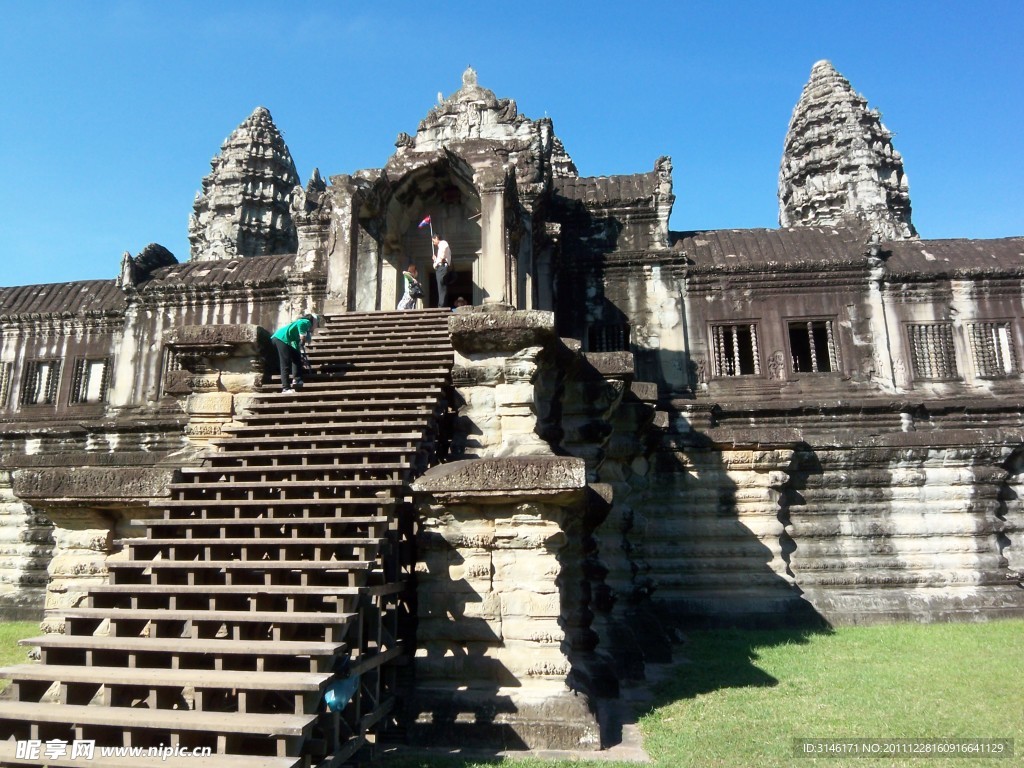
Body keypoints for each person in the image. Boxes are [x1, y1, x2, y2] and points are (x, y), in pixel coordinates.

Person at [271, 313, 318, 393]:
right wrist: (302, 337)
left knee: (296, 357)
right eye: (317, 323)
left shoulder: (303, 328)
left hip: (284, 340)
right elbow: (301, 323)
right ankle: (285, 388)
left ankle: (297, 379)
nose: (316, 325)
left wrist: (300, 355)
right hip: (281, 339)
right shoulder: (306, 322)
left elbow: (296, 345)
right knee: (285, 363)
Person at [431, 233, 451, 308]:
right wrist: (436, 260)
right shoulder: (441, 246)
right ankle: (441, 304)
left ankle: (441, 305)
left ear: (436, 238)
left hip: (442, 267)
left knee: (441, 286)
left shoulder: (443, 243)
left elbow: (442, 256)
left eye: (433, 241)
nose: (433, 243)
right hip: (441, 266)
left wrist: (437, 261)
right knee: (441, 286)